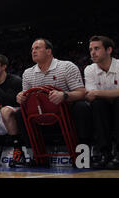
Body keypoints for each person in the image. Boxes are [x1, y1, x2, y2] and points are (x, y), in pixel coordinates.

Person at [14, 38, 92, 167]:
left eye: (37, 48)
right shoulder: (28, 73)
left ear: (49, 51)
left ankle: (83, 155)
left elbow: (81, 92)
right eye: (32, 49)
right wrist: (20, 97)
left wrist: (64, 95)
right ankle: (34, 156)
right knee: (19, 113)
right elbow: (25, 96)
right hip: (42, 115)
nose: (33, 51)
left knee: (81, 107)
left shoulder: (66, 66)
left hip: (66, 113)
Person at [84, 36, 119, 169]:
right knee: (98, 104)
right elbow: (90, 96)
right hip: (103, 111)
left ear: (109, 50)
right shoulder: (89, 69)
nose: (92, 52)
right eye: (90, 49)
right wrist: (117, 92)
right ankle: (105, 154)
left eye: (96, 48)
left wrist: (98, 93)